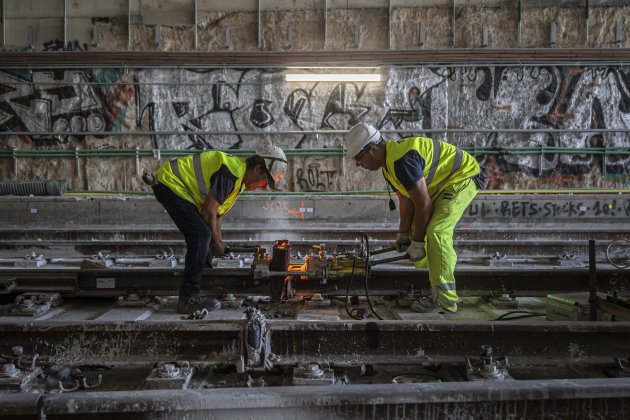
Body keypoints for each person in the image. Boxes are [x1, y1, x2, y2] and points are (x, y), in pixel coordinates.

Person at [345, 123, 488, 313]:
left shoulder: (401, 161)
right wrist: (404, 234)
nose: (358, 164)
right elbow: (406, 200)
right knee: (417, 230)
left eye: (358, 158)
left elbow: (423, 204)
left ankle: (445, 300)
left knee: (436, 232)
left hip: (462, 177)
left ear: (372, 149)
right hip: (443, 184)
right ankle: (424, 285)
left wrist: (418, 243)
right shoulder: (388, 166)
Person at [149, 145, 288, 314]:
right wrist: (216, 242)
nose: (263, 186)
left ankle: (204, 276)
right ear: (257, 168)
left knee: (205, 239)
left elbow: (216, 213)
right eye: (265, 181)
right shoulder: (231, 172)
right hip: (170, 183)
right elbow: (208, 211)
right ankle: (187, 298)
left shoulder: (239, 181)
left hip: (178, 188)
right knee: (201, 235)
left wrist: (219, 242)